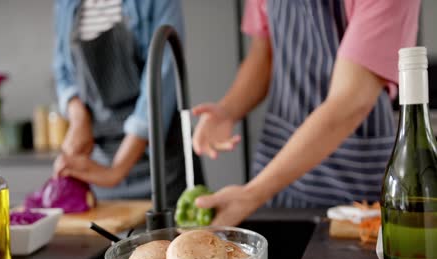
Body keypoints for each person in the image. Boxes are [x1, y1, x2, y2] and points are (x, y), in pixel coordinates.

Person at [192, 0, 420, 226]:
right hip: (274, 166)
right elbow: (265, 54)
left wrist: (253, 193)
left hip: (352, 176)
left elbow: (349, 103)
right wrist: (228, 110)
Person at [52, 0, 203, 206]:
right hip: (99, 162)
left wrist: (117, 170)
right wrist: (79, 118)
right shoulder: (65, 4)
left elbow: (162, 78)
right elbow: (63, 71)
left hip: (160, 164)